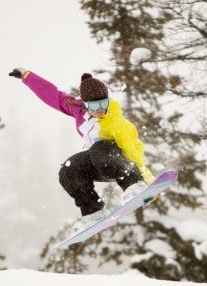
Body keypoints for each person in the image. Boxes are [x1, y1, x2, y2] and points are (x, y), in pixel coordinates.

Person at [8, 68, 154, 230]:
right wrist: (27, 76)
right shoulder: (77, 109)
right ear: (85, 104)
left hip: (122, 164)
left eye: (103, 103)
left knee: (99, 149)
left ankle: (134, 185)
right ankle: (93, 211)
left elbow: (132, 150)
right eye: (94, 105)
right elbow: (51, 95)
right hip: (101, 165)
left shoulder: (115, 120)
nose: (100, 109)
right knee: (69, 169)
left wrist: (144, 179)